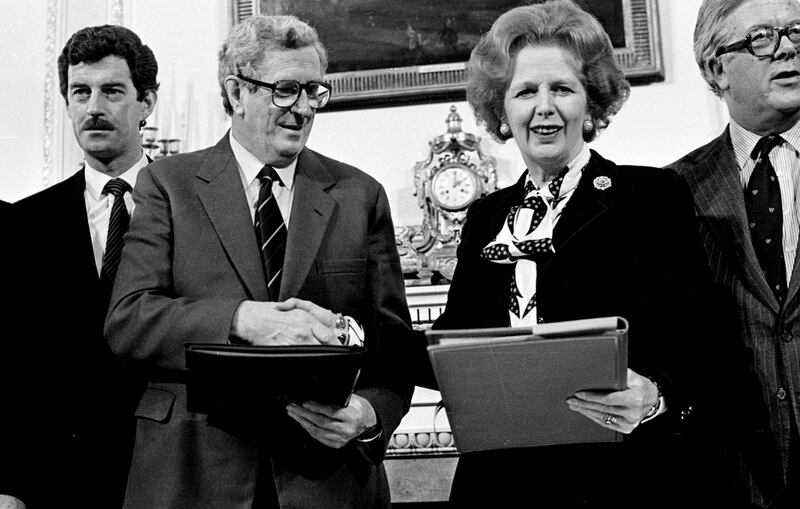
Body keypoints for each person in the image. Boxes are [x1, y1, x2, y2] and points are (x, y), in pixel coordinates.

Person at [413, 1, 725, 507]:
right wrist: (351, 336)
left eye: (562, 88)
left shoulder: (650, 195)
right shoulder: (486, 216)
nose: (544, 107)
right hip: (499, 483)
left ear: (591, 102)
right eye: (525, 92)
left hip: (621, 478)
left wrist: (657, 398)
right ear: (502, 108)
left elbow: (704, 342)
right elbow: (454, 345)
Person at [104, 14, 414, 509]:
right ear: (235, 92)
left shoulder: (360, 196)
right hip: (193, 473)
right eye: (286, 89)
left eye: (315, 91)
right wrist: (242, 320)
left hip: (325, 479)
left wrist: (369, 416)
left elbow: (393, 352)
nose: (303, 109)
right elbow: (129, 320)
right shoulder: (168, 184)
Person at [9, 25, 158, 508]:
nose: (93, 106)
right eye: (80, 92)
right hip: (62, 480)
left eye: (112, 91)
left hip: (171, 473)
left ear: (146, 103)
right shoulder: (24, 223)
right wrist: (9, 485)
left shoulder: (194, 209)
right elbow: (9, 367)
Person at [667, 0, 800, 506]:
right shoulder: (674, 192)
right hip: (734, 474)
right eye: (761, 38)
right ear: (716, 68)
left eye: (795, 32)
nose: (787, 48)